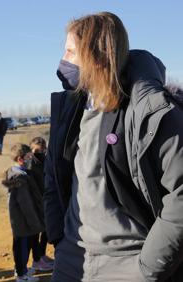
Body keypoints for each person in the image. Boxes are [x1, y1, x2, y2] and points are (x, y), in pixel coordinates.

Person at [44, 12, 183, 281]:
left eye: (71, 52)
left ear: (97, 55)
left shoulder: (152, 112)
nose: (63, 61)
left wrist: (149, 266)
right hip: (72, 259)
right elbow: (53, 175)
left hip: (130, 263)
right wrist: (58, 239)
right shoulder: (71, 109)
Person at [2, 143, 44, 282]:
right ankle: (21, 276)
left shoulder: (18, 173)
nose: (31, 159)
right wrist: (34, 222)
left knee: (22, 246)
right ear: (20, 159)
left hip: (22, 220)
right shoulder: (20, 178)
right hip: (23, 221)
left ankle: (22, 271)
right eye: (29, 157)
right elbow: (25, 204)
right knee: (22, 248)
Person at [28, 137, 54, 271]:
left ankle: (42, 255)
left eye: (42, 149)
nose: (39, 151)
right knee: (36, 232)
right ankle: (36, 260)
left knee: (46, 230)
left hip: (46, 199)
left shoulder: (46, 158)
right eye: (36, 150)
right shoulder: (29, 162)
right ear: (31, 148)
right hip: (35, 202)